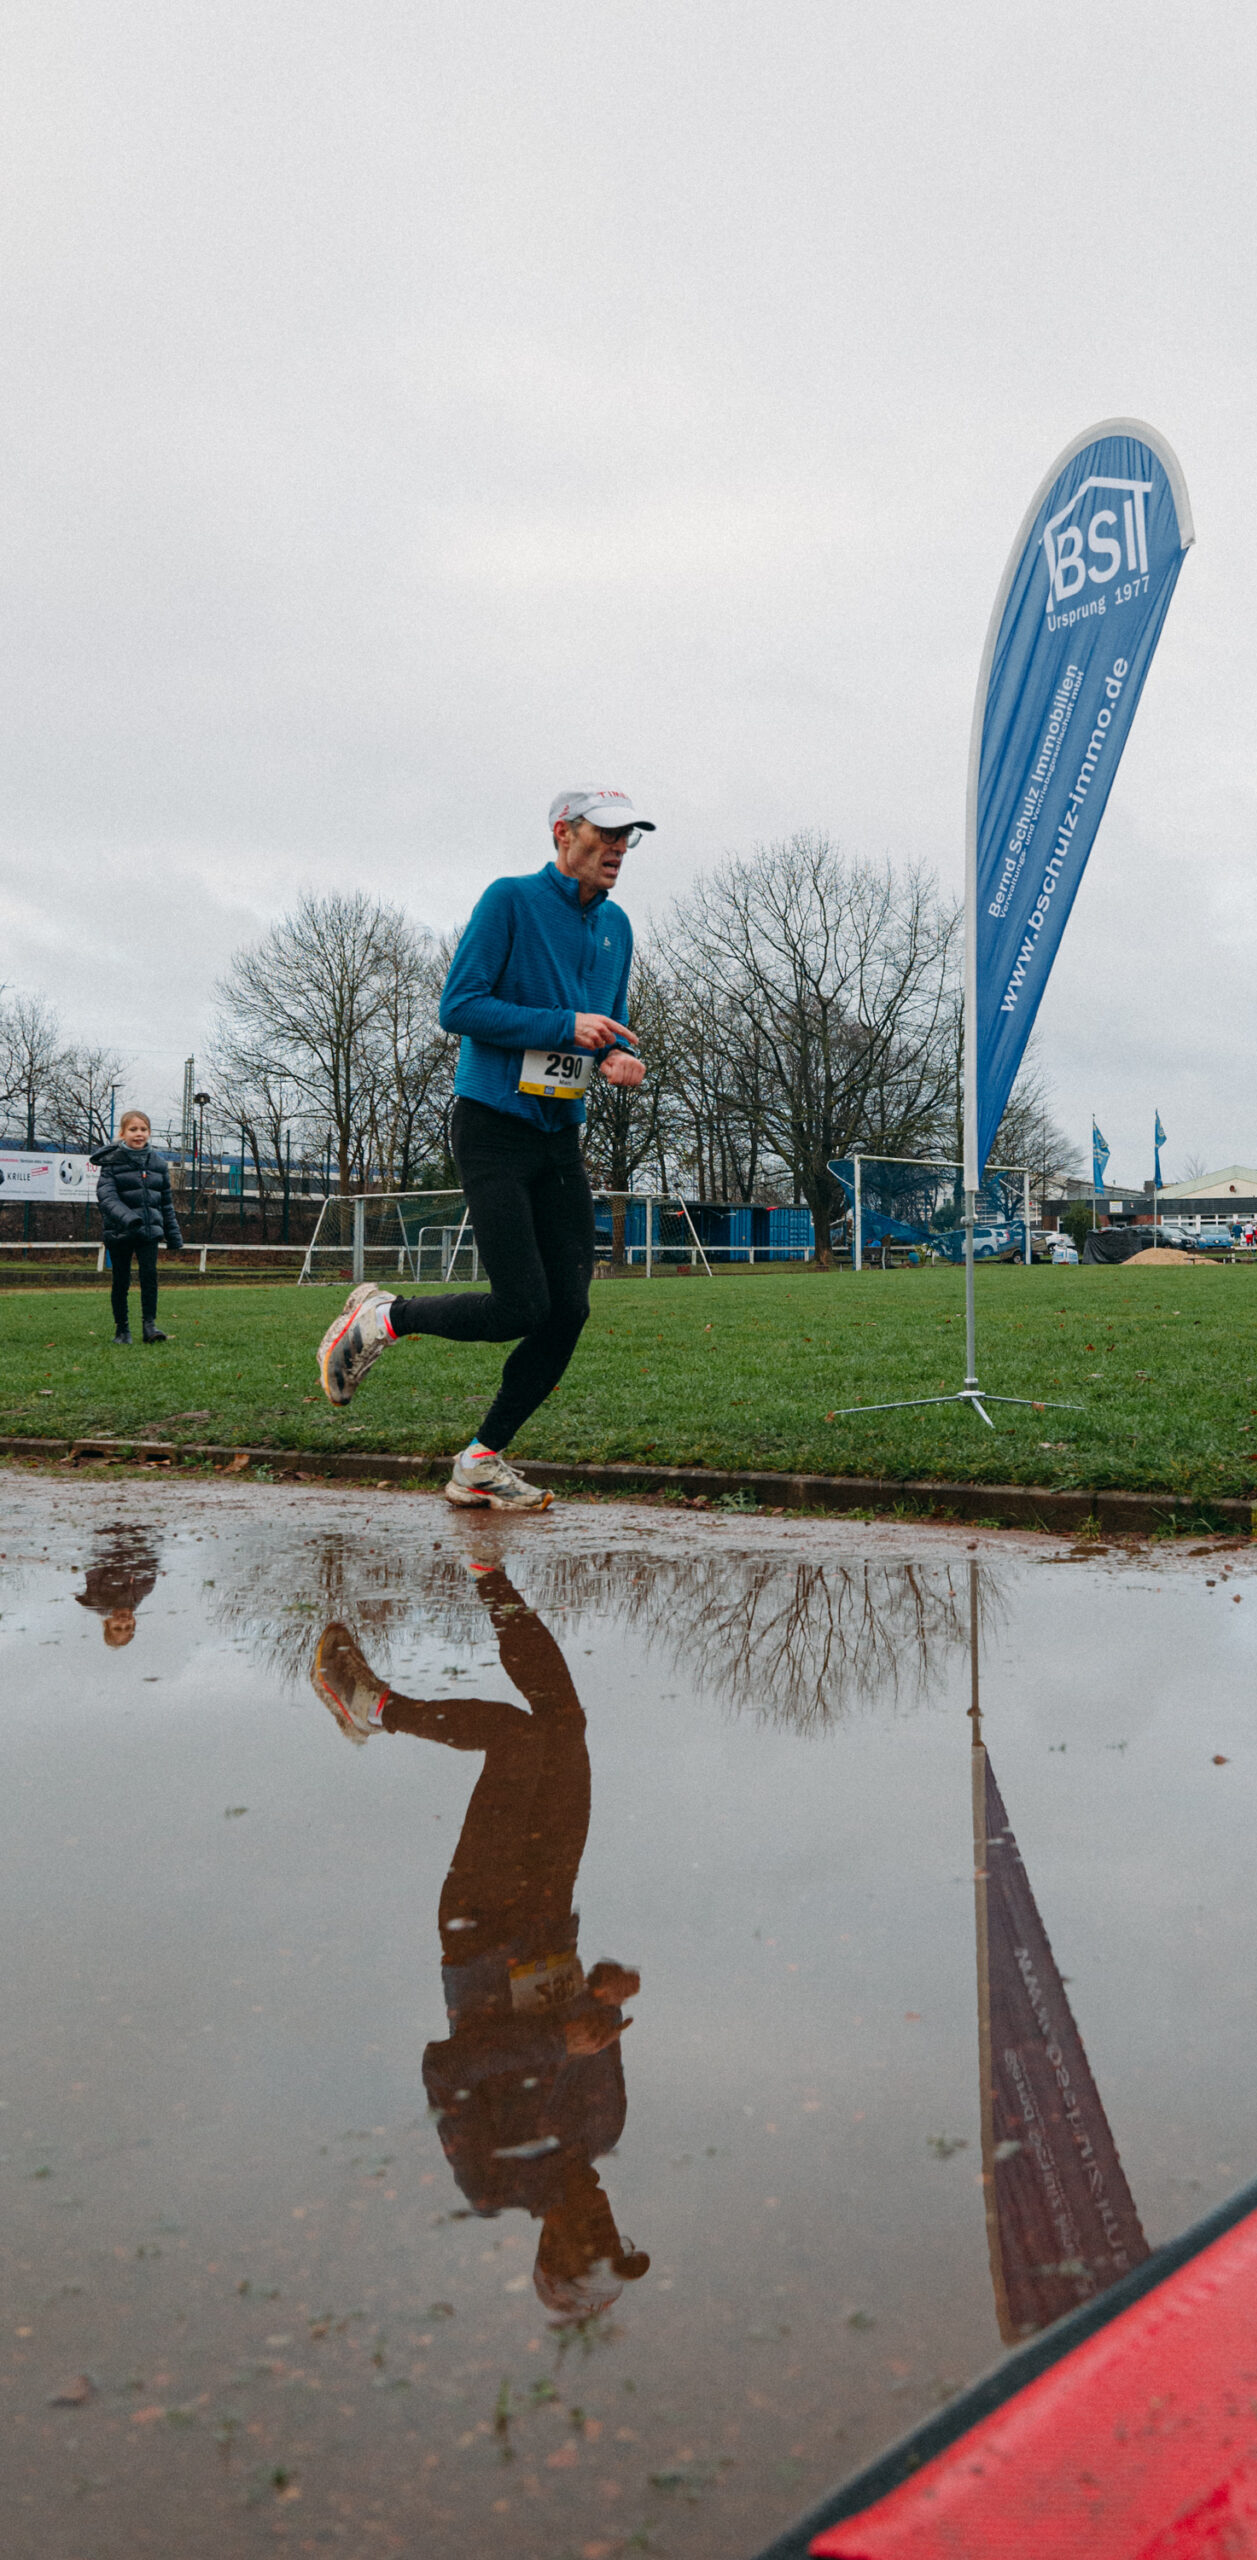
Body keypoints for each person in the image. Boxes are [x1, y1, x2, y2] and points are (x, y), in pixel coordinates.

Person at [311, 1561, 648, 2322]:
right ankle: (487, 1566)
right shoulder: (604, 2127)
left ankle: (370, 1706)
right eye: (613, 2236)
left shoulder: (493, 2184)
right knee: (563, 1722)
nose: (603, 2223)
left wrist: (555, 2041)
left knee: (514, 1739)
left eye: (590, 2241)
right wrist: (606, 1989)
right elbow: (592, 2014)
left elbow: (447, 2069)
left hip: (482, 1934)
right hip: (551, 1914)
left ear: (552, 2245)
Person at [316, 788, 653, 1507]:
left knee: (568, 1311)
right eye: (605, 835)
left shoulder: (617, 926)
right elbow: (459, 1007)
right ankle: (383, 1318)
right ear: (563, 833)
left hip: (559, 1137)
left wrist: (618, 1056)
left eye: (628, 838)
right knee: (520, 1306)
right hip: (493, 1127)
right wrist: (564, 1025)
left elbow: (610, 1023)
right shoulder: (510, 900)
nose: (619, 849)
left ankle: (480, 1460)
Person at [91, 1109, 183, 1344]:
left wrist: (173, 1234)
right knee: (121, 1281)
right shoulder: (111, 1163)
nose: (139, 1133)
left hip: (149, 1232)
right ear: (123, 1133)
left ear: (149, 1132)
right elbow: (107, 1197)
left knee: (149, 1278)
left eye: (143, 1129)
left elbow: (166, 1203)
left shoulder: (158, 1164)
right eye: (133, 1129)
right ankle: (122, 1330)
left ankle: (149, 1326)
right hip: (120, 1232)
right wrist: (128, 1218)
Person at [73, 1524, 160, 1647]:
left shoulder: (96, 1596)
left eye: (117, 1628)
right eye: (128, 1627)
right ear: (134, 1622)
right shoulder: (145, 1589)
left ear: (107, 1623)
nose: (124, 1622)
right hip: (140, 1530)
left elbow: (95, 1559)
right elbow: (152, 1555)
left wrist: (121, 1540)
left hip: (110, 1531)